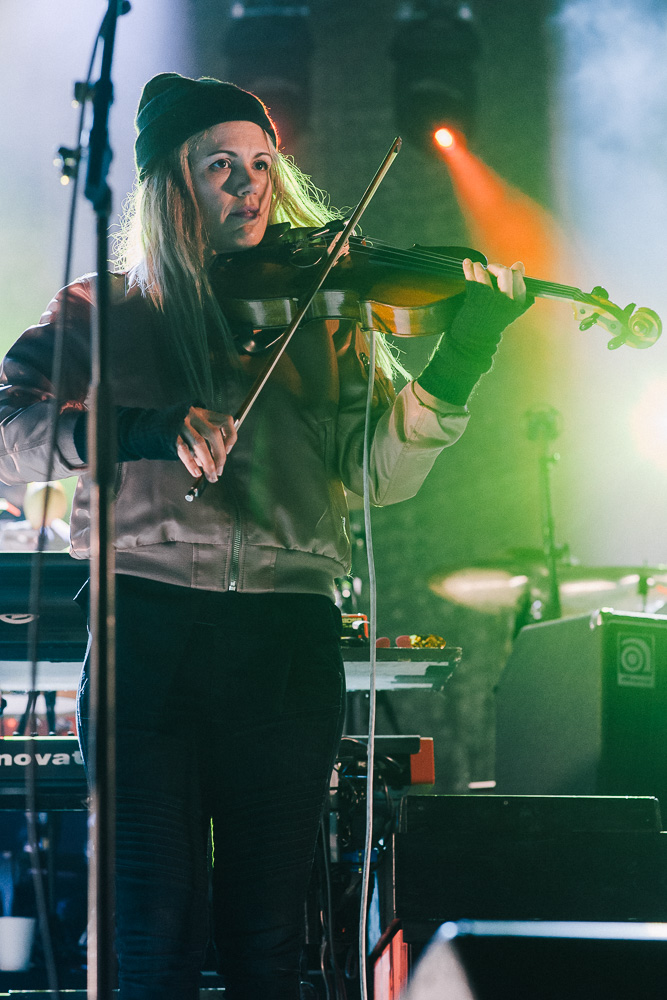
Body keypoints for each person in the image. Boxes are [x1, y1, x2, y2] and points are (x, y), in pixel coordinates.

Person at [0, 73, 529, 1000]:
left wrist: (462, 356)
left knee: (269, 939)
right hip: (147, 631)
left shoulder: (324, 311)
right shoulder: (99, 311)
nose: (250, 185)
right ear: (170, 184)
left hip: (285, 639)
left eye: (260, 163)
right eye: (221, 165)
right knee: (151, 929)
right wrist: (138, 431)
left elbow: (377, 473)